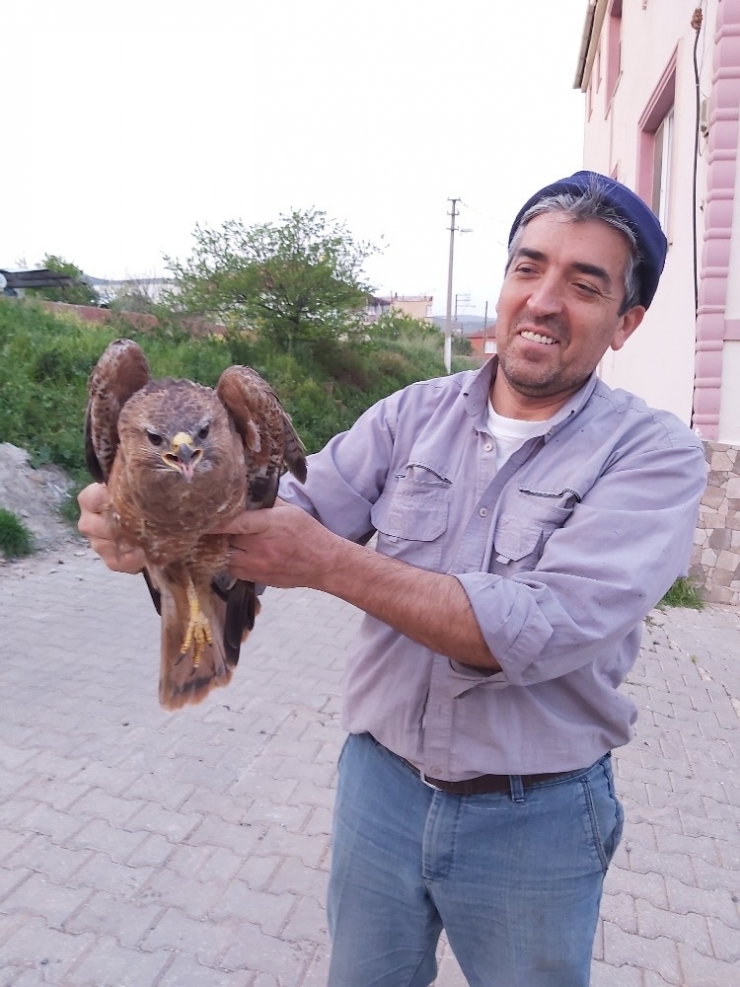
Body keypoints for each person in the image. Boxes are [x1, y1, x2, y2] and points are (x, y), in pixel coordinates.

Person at [78, 171, 708, 987]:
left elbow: (541, 626)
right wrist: (154, 528)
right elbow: (289, 508)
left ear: (626, 322)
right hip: (380, 791)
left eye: (584, 284)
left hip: (537, 817)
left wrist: (332, 563)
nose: (545, 299)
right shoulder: (411, 413)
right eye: (529, 267)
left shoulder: (654, 455)